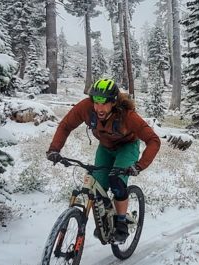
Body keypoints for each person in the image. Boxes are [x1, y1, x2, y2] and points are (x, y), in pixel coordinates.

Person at [47, 78, 161, 242]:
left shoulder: (127, 116)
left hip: (127, 147)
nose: (99, 108)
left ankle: (121, 222)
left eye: (104, 103)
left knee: (116, 181)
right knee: (97, 186)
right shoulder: (86, 108)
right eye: (96, 102)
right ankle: (107, 218)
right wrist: (54, 149)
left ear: (113, 102)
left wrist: (139, 166)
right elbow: (66, 125)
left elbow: (153, 140)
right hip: (105, 147)